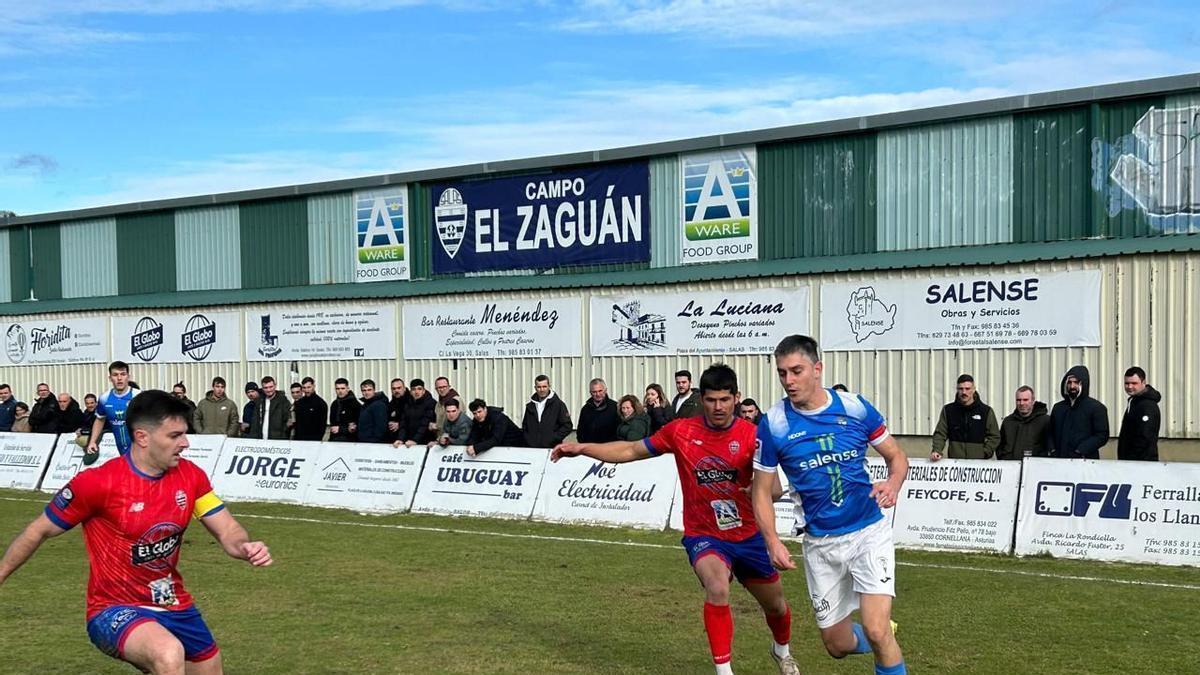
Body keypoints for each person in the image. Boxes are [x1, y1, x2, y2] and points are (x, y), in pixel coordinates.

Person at [0, 390, 272, 674]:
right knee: (168, 654)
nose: (186, 443)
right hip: (113, 608)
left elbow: (227, 529)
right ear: (142, 437)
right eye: (175, 435)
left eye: (185, 434)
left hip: (171, 601)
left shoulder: (192, 476)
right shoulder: (98, 483)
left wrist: (245, 547)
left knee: (210, 669)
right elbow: (37, 531)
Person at [554, 364, 800, 675]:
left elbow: (775, 489)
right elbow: (630, 449)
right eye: (711, 400)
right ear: (702, 398)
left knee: (776, 606)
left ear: (736, 398)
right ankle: (724, 671)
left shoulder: (753, 436)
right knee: (717, 587)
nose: (718, 407)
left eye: (725, 399)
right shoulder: (681, 431)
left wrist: (758, 491)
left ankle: (782, 651)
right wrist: (582, 448)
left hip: (748, 535)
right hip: (705, 534)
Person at [752, 335, 909, 675]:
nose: (789, 381)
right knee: (836, 645)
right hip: (820, 544)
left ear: (817, 368)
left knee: (876, 628)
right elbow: (761, 491)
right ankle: (879, 634)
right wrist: (772, 541)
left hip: (868, 531)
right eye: (782, 373)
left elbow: (896, 456)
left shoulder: (854, 407)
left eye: (797, 371)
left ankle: (880, 633)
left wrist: (893, 483)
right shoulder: (774, 423)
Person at [930, 374, 1000, 461]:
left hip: (979, 464)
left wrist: (985, 452)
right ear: (957, 390)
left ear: (974, 389)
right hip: (955, 464)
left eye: (967, 389)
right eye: (961, 389)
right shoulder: (948, 410)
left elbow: (995, 436)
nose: (964, 392)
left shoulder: (986, 411)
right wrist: (937, 450)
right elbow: (940, 434)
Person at [1049, 365, 1109, 459]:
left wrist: (1080, 450)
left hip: (1085, 461)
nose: (1072, 386)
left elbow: (1102, 436)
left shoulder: (1097, 408)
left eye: (1076, 382)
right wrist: (1052, 450)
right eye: (1069, 382)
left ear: (1083, 384)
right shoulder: (1058, 408)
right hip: (1059, 461)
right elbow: (1050, 432)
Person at [88, 362, 140, 458]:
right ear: (110, 378)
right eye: (115, 375)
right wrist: (92, 442)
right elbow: (100, 419)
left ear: (128, 376)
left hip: (142, 450)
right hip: (121, 450)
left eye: (123, 374)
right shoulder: (104, 398)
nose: (119, 378)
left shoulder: (139, 396)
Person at [1118, 367, 1161, 461]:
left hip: (1142, 464)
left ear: (1143, 382)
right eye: (1127, 383)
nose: (1129, 387)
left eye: (1134, 383)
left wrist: (1131, 460)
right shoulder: (1134, 402)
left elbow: (1144, 437)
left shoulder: (1147, 406)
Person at [996, 386, 1051, 460]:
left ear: (1033, 401)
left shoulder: (1045, 421)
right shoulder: (1008, 422)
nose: (1021, 403)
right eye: (1018, 400)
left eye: (1025, 400)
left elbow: (1050, 447)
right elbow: (1000, 446)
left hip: (1035, 468)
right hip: (1010, 468)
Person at [521, 375, 573, 449]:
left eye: (544, 386)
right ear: (535, 388)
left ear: (549, 386)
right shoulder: (530, 406)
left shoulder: (558, 404)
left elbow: (567, 426)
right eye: (539, 387)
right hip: (532, 449)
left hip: (551, 449)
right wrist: (528, 440)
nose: (542, 390)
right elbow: (525, 426)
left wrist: (553, 439)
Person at [577, 378, 620, 443]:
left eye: (600, 391)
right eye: (594, 392)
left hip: (610, 448)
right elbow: (580, 431)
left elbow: (620, 430)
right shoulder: (585, 409)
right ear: (590, 392)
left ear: (605, 390)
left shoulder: (615, 407)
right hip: (590, 449)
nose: (598, 394)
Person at [249, 376, 290, 441]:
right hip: (260, 440)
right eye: (266, 388)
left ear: (275, 386)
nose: (268, 390)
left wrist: (282, 436)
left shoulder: (283, 401)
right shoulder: (259, 401)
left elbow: (287, 421)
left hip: (278, 440)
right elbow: (255, 423)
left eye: (271, 387)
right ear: (262, 388)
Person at [399, 379, 437, 446]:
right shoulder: (407, 404)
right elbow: (403, 423)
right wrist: (400, 439)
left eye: (419, 389)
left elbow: (425, 424)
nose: (416, 392)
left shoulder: (431, 403)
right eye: (414, 389)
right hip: (409, 442)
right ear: (410, 392)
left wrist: (415, 440)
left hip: (425, 443)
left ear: (423, 391)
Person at [292, 377, 328, 442]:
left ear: (313, 386)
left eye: (309, 387)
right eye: (304, 388)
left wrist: (316, 441)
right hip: (299, 441)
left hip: (314, 441)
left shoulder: (321, 404)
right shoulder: (299, 403)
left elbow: (322, 426)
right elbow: (297, 424)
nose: (306, 390)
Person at [328, 378, 361, 442]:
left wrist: (341, 429)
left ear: (347, 388)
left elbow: (358, 426)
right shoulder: (334, 404)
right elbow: (333, 424)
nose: (340, 391)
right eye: (337, 389)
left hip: (350, 441)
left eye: (342, 388)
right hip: (334, 440)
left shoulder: (355, 405)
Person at [386, 379, 410, 443]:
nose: (396, 390)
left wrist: (400, 424)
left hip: (408, 441)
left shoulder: (411, 402)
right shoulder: (391, 403)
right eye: (394, 389)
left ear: (404, 388)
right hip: (394, 441)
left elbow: (416, 420)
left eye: (399, 388)